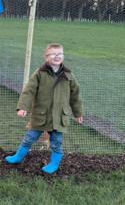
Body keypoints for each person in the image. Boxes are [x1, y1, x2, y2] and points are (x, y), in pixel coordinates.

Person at [5, 43, 83, 174]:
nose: (57, 56)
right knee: (30, 137)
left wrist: (78, 113)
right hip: (40, 115)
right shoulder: (40, 73)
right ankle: (18, 157)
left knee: (56, 142)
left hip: (59, 117)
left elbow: (75, 96)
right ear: (46, 57)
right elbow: (29, 91)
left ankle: (54, 163)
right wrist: (23, 107)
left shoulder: (69, 76)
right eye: (53, 54)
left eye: (60, 54)